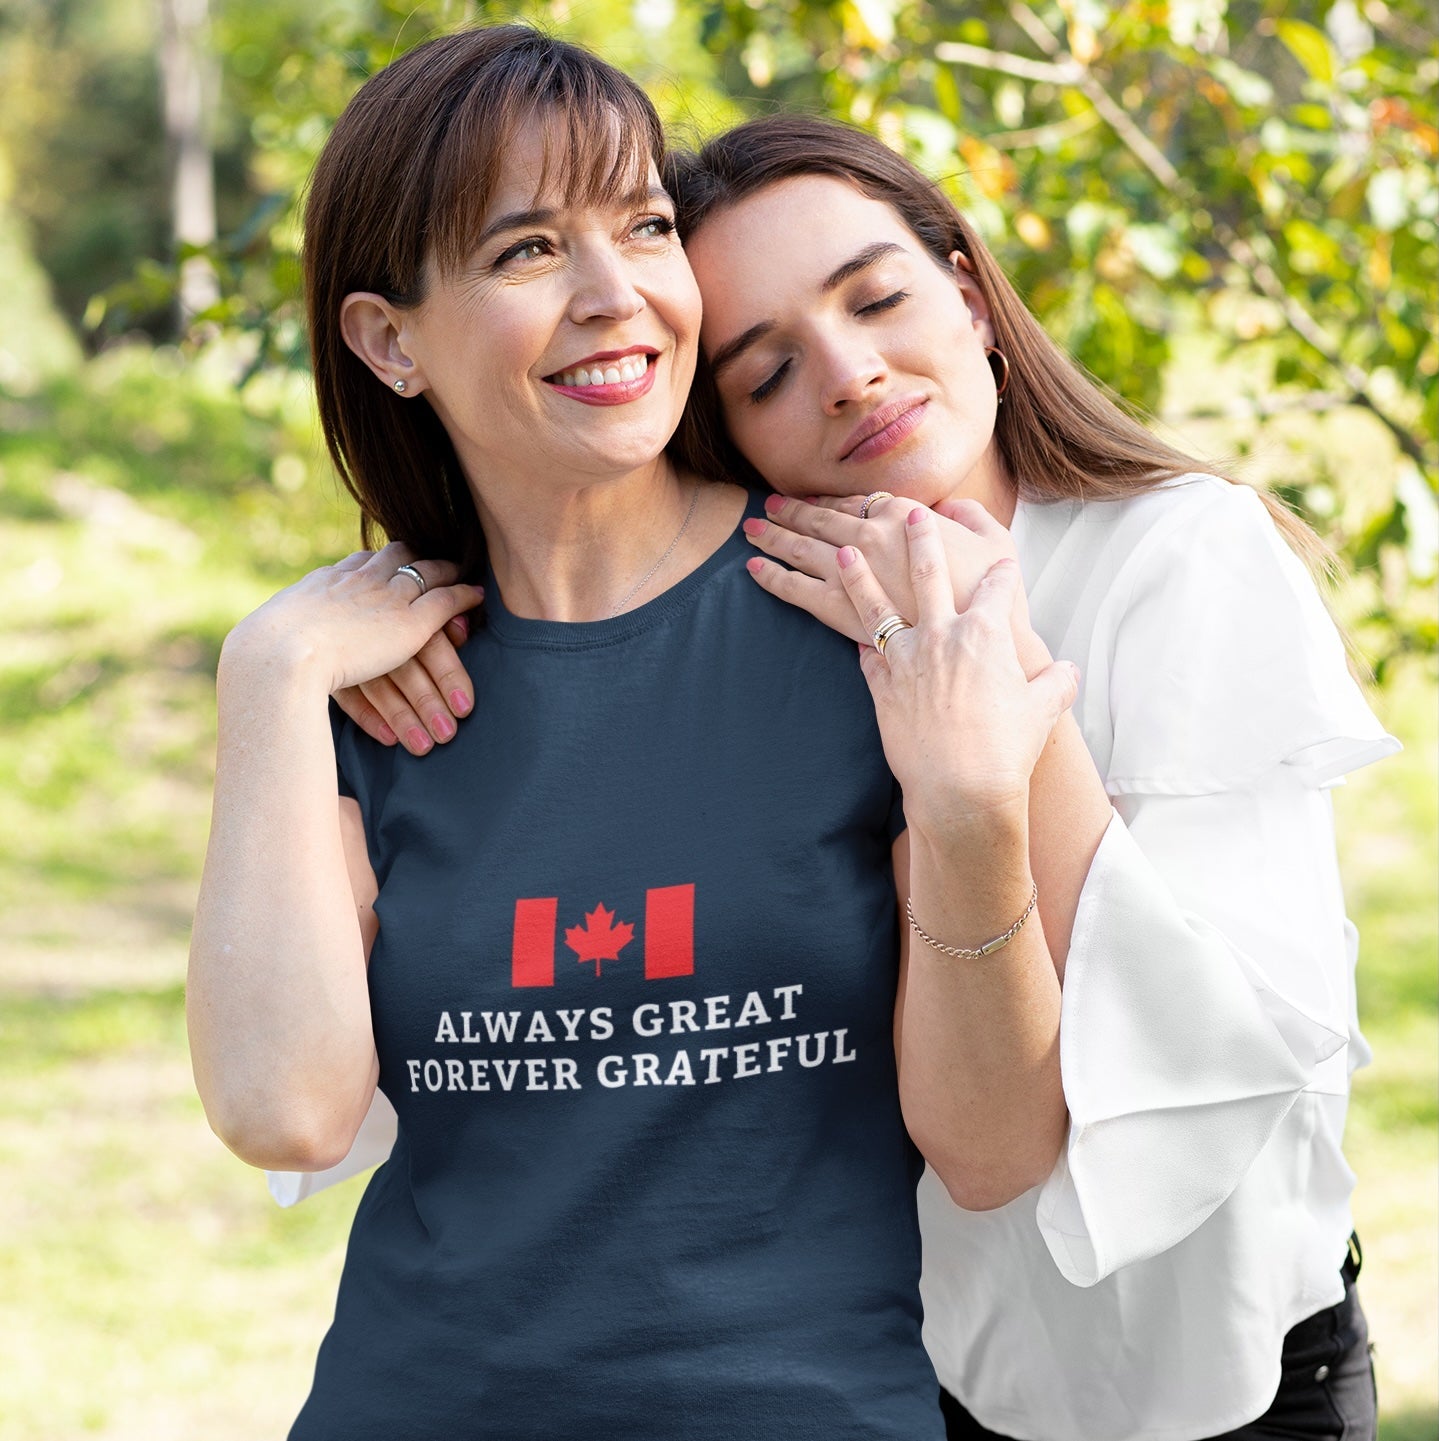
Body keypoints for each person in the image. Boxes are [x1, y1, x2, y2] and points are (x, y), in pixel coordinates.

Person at [341, 112, 1397, 1441]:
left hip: (1235, 1375)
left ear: (967, 293)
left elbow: (1215, 1048)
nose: (845, 377)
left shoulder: (1179, 559)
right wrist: (386, 636)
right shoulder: (793, 618)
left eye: (878, 299)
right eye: (764, 371)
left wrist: (987, 666)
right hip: (937, 1375)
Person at [188, 29, 1083, 1439]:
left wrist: (967, 803)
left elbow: (995, 1148)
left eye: (648, 228)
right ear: (389, 339)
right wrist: (269, 672)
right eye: (529, 250)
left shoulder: (881, 611)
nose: (618, 298)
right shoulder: (370, 680)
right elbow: (282, 1109)